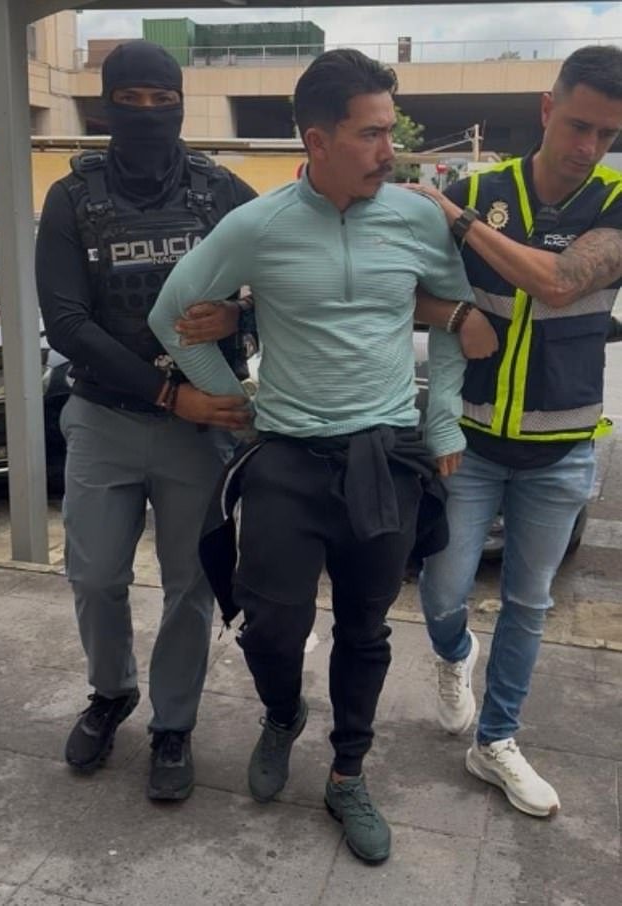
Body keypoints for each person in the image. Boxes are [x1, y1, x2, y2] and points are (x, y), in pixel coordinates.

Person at [148, 48, 494, 864]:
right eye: (372, 135)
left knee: (366, 630)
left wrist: (444, 422)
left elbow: (457, 320)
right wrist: (228, 400)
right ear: (317, 140)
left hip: (384, 455)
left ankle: (347, 774)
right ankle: (282, 713)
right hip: (288, 457)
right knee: (270, 626)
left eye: (390, 132)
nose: (389, 151)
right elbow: (171, 314)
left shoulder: (415, 219)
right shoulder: (258, 225)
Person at [35, 40, 256, 801]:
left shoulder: (220, 190)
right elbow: (67, 323)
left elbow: (285, 282)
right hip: (105, 417)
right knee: (95, 575)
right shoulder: (73, 198)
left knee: (190, 586)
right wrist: (167, 395)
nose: (148, 113)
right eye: (129, 101)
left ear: (182, 103)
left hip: (202, 428)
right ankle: (111, 691)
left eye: (162, 100)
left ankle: (174, 725)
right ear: (106, 107)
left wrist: (239, 314)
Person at [410, 44, 622, 818]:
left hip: (560, 451)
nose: (588, 147)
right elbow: (406, 294)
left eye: (607, 134)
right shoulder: (480, 188)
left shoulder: (615, 198)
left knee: (529, 604)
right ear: (546, 107)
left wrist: (460, 223)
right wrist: (458, 315)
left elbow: (559, 282)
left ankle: (495, 740)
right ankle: (454, 654)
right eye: (578, 125)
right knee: (442, 591)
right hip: (468, 443)